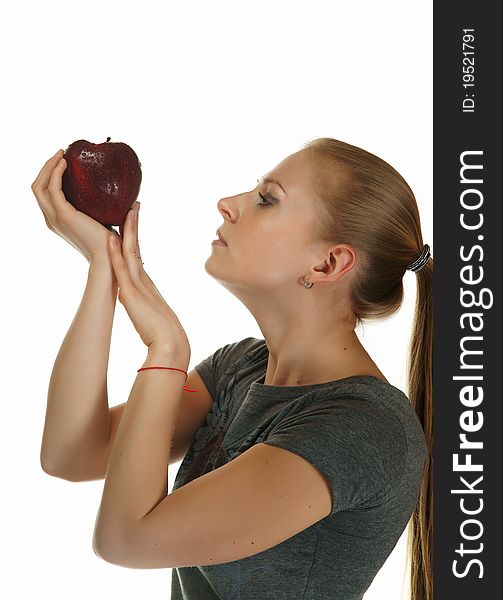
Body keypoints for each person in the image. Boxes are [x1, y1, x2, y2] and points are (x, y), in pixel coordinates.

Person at [32, 137, 432, 600]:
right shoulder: (239, 370)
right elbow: (72, 453)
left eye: (267, 199)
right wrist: (104, 267)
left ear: (328, 264)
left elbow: (126, 539)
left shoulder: (365, 427)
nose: (227, 204)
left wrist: (165, 349)